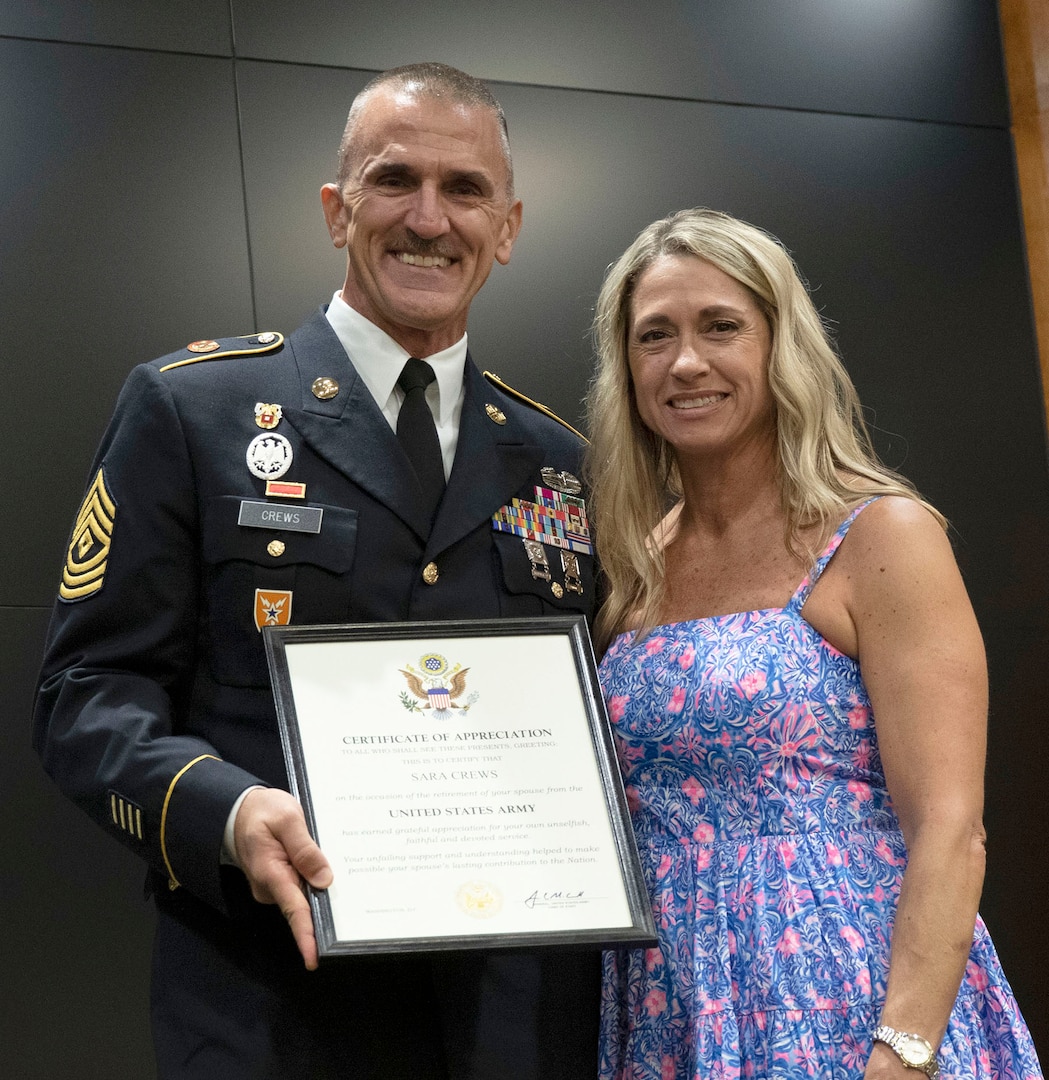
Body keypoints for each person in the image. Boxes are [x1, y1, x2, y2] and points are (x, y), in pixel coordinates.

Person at [33, 63, 600, 1079]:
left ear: (506, 228)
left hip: (512, 1023)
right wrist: (225, 810)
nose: (428, 218)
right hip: (269, 1011)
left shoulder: (557, 459)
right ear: (337, 211)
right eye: (394, 181)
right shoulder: (193, 410)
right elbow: (85, 700)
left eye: (464, 190)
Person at [585, 208, 1042, 1079]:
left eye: (721, 326)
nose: (686, 362)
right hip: (670, 1008)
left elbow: (950, 829)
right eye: (655, 336)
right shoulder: (634, 565)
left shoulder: (880, 536)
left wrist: (902, 1053)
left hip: (848, 1004)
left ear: (779, 344)